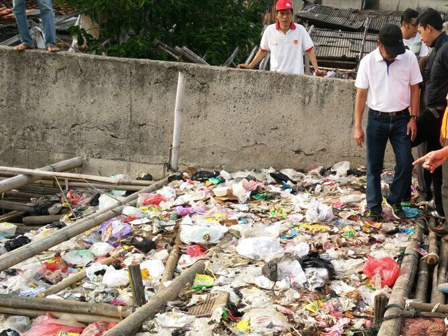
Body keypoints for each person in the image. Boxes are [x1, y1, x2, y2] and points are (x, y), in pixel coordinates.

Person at [353, 24, 422, 221]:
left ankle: (395, 200)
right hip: (376, 119)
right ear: (379, 45)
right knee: (373, 166)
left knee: (406, 162)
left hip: (402, 119)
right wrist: (357, 127)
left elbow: (415, 89)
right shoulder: (367, 62)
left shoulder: (408, 58)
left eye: (396, 51)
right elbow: (361, 95)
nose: (394, 55)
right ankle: (374, 208)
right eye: (389, 51)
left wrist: (413, 118)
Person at [412, 8, 448, 220]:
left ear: (429, 28)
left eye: (421, 31)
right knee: (435, 161)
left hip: (438, 114)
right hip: (435, 112)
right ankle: (437, 205)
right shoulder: (437, 49)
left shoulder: (445, 49)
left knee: (404, 138)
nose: (421, 37)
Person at [238, 0, 325, 76]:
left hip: (297, 78)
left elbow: (309, 50)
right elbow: (263, 50)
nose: (285, 17)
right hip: (276, 77)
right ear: (277, 15)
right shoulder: (270, 30)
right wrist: (250, 66)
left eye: (287, 13)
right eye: (282, 13)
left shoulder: (300, 30)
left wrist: (317, 69)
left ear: (292, 15)